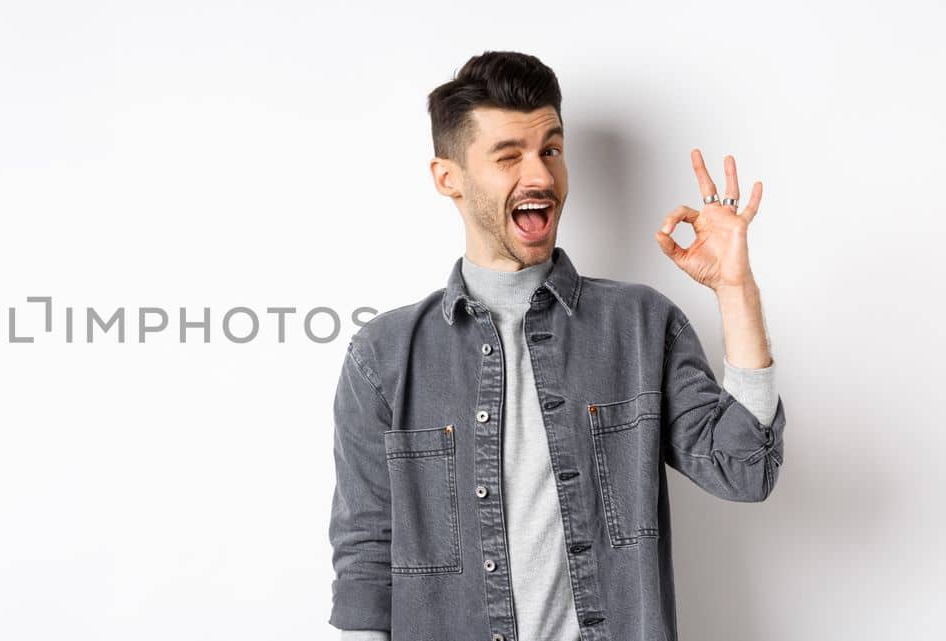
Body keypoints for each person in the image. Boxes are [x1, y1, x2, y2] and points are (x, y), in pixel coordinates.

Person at [326, 51, 784, 641]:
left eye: (551, 149)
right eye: (508, 155)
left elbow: (745, 472)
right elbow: (366, 555)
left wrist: (735, 290)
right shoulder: (384, 355)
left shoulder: (641, 325)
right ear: (449, 178)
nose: (540, 176)